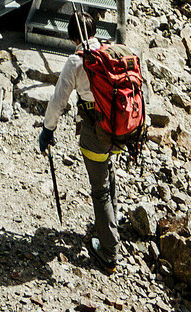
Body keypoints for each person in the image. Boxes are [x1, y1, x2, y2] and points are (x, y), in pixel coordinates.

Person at [39, 15, 146, 271]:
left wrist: (47, 129)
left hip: (95, 132)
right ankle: (111, 224)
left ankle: (108, 251)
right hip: (122, 129)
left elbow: (58, 101)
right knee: (109, 176)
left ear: (71, 37)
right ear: (95, 31)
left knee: (99, 189)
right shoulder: (114, 52)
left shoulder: (77, 61)